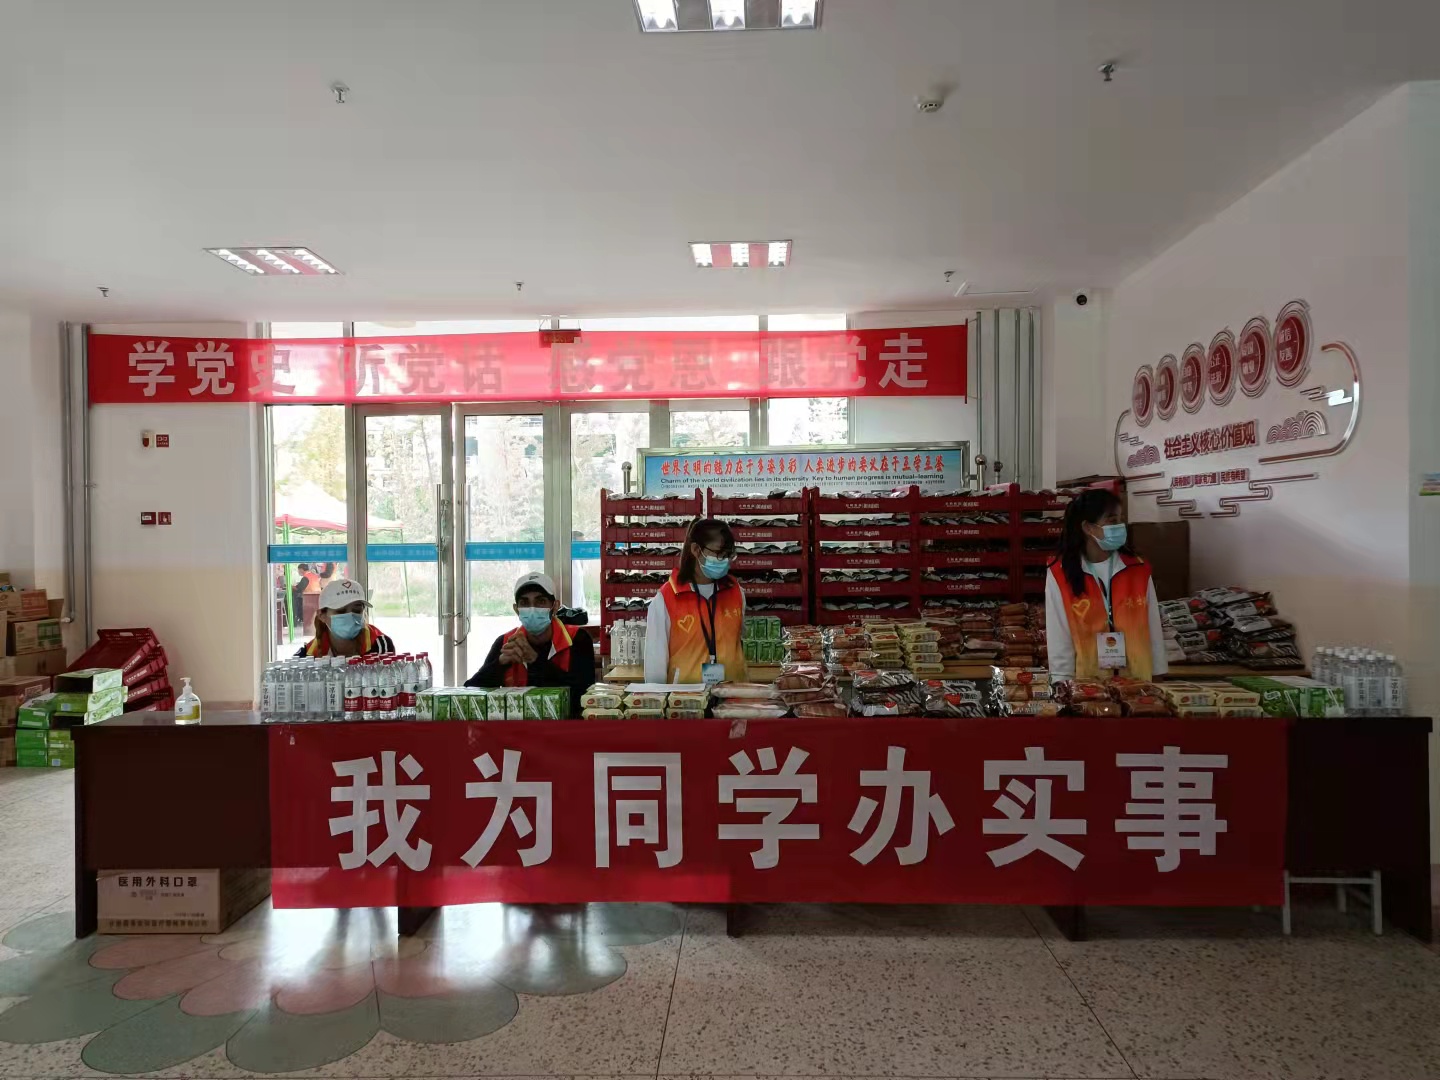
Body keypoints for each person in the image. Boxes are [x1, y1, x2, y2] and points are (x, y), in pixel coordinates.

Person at [1045, 488, 1167, 682]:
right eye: (1112, 521)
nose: (1120, 526)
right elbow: (1059, 635)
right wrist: (1061, 682)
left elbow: (1153, 625)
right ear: (1088, 528)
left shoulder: (1137, 567)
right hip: (1087, 685)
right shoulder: (1061, 573)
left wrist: (1158, 671)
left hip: (1136, 683)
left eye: (1121, 520)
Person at [467, 571, 596, 715]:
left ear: (555, 606)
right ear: (516, 610)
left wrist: (535, 661)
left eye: (540, 601)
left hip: (564, 726)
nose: (532, 609)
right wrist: (499, 664)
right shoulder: (505, 642)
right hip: (517, 726)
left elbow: (585, 697)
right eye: (525, 603)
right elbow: (470, 692)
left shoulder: (577, 639)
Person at [643, 518, 747, 685]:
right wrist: (656, 697)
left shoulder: (736, 592)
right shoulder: (666, 599)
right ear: (696, 550)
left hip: (732, 695)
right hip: (685, 697)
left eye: (729, 555)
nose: (725, 560)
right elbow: (655, 665)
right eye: (719, 554)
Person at [297, 578, 396, 658]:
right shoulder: (308, 655)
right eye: (341, 611)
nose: (350, 616)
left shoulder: (380, 645)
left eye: (357, 610)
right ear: (322, 616)